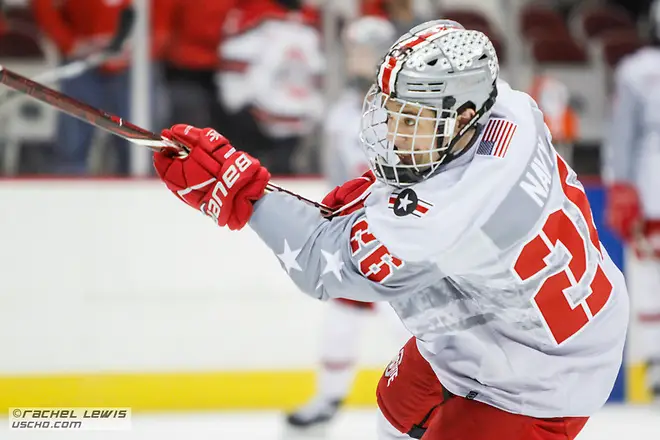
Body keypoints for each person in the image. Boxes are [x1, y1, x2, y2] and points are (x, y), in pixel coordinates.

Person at [154, 19, 629, 440]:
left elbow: (322, 265)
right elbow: (432, 177)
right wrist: (376, 195)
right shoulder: (511, 109)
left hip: (541, 381)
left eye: (411, 119)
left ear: (462, 117)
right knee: (397, 407)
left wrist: (241, 192)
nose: (394, 133)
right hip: (532, 320)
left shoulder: (449, 215)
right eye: (393, 112)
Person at [284, 15, 411, 429]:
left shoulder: (406, 107)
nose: (356, 58)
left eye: (364, 50)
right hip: (357, 234)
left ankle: (442, 397)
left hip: (401, 234)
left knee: (407, 325)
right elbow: (336, 175)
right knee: (341, 321)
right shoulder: (340, 111)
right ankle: (328, 398)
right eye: (352, 50)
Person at [602, 0, 660, 401]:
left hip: (651, 188)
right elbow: (623, 135)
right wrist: (622, 185)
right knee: (651, 282)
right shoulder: (639, 71)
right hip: (652, 191)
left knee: (651, 283)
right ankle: (657, 364)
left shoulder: (637, 70)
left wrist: (621, 184)